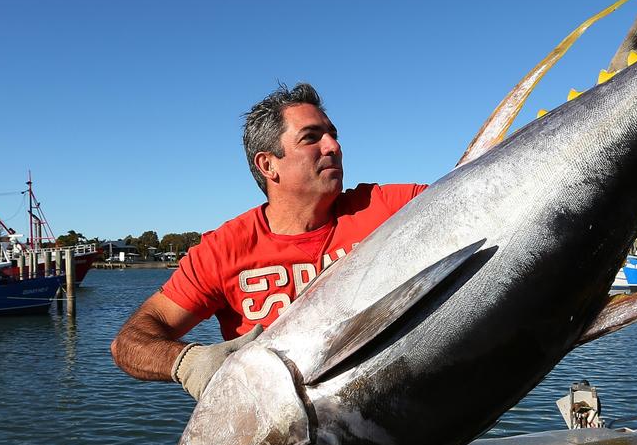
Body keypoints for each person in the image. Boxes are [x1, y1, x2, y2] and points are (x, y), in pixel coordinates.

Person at [110, 83, 427, 400]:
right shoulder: (224, 250)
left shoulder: (389, 208)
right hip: (291, 433)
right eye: (311, 137)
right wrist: (187, 362)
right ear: (268, 164)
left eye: (333, 135)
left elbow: (471, 192)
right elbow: (129, 341)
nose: (333, 146)